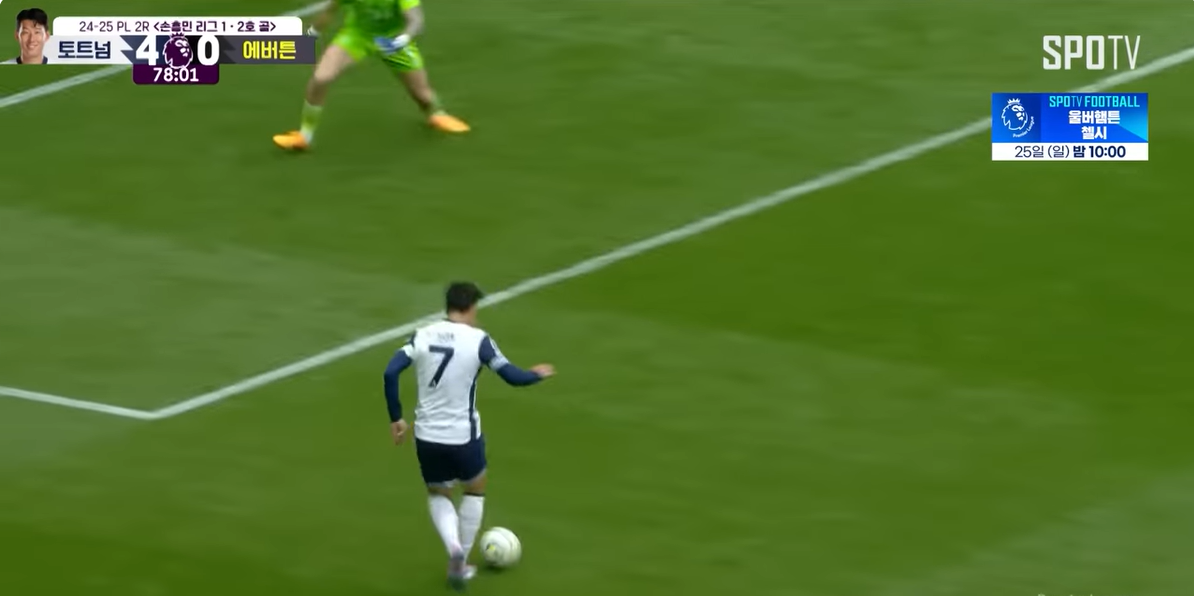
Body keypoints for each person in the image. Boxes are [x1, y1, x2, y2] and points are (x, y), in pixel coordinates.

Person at [383, 282, 554, 590]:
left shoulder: (422, 334)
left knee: (439, 494)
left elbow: (390, 372)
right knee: (474, 490)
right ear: (471, 306)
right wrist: (536, 374)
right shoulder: (479, 341)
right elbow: (512, 377)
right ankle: (461, 557)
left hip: (427, 436)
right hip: (463, 436)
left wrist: (396, 417)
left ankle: (453, 549)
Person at [273, 0, 469, 151]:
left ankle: (436, 115)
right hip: (357, 36)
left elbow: (416, 21)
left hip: (393, 40)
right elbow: (330, 11)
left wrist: (401, 41)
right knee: (321, 78)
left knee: (423, 96)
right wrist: (310, 35)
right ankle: (304, 136)